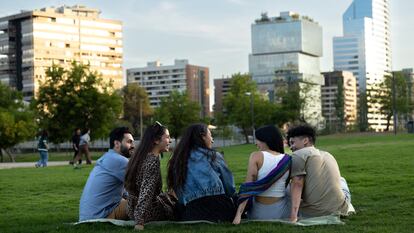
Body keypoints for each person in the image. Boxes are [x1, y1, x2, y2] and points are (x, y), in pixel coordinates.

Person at [167, 123, 236, 222]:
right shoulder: (213, 155)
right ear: (202, 136)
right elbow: (229, 187)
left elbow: (181, 197)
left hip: (193, 212)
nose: (212, 139)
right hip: (221, 208)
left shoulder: (178, 160)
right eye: (210, 135)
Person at [287, 124, 351, 222]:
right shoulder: (328, 155)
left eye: (292, 142)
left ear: (305, 141)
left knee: (287, 185)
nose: (291, 147)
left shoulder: (298, 155)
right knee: (341, 180)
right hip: (341, 209)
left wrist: (293, 216)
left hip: (313, 213)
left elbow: (297, 184)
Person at [233, 125, 291, 224]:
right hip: (282, 213)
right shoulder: (287, 159)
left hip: (258, 213)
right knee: (290, 187)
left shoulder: (256, 156)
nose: (256, 143)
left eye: (258, 140)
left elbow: (248, 186)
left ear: (266, 140)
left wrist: (238, 215)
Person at [124, 121, 176, 231]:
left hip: (131, 209)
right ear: (156, 140)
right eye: (167, 137)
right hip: (148, 213)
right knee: (178, 207)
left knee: (169, 196)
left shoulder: (140, 156)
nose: (170, 141)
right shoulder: (152, 161)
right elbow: (145, 192)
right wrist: (139, 222)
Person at [79, 127, 135, 221]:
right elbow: (139, 188)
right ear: (117, 143)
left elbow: (127, 192)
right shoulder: (120, 161)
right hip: (101, 215)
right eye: (129, 142)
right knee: (144, 203)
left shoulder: (108, 157)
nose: (133, 145)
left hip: (88, 215)